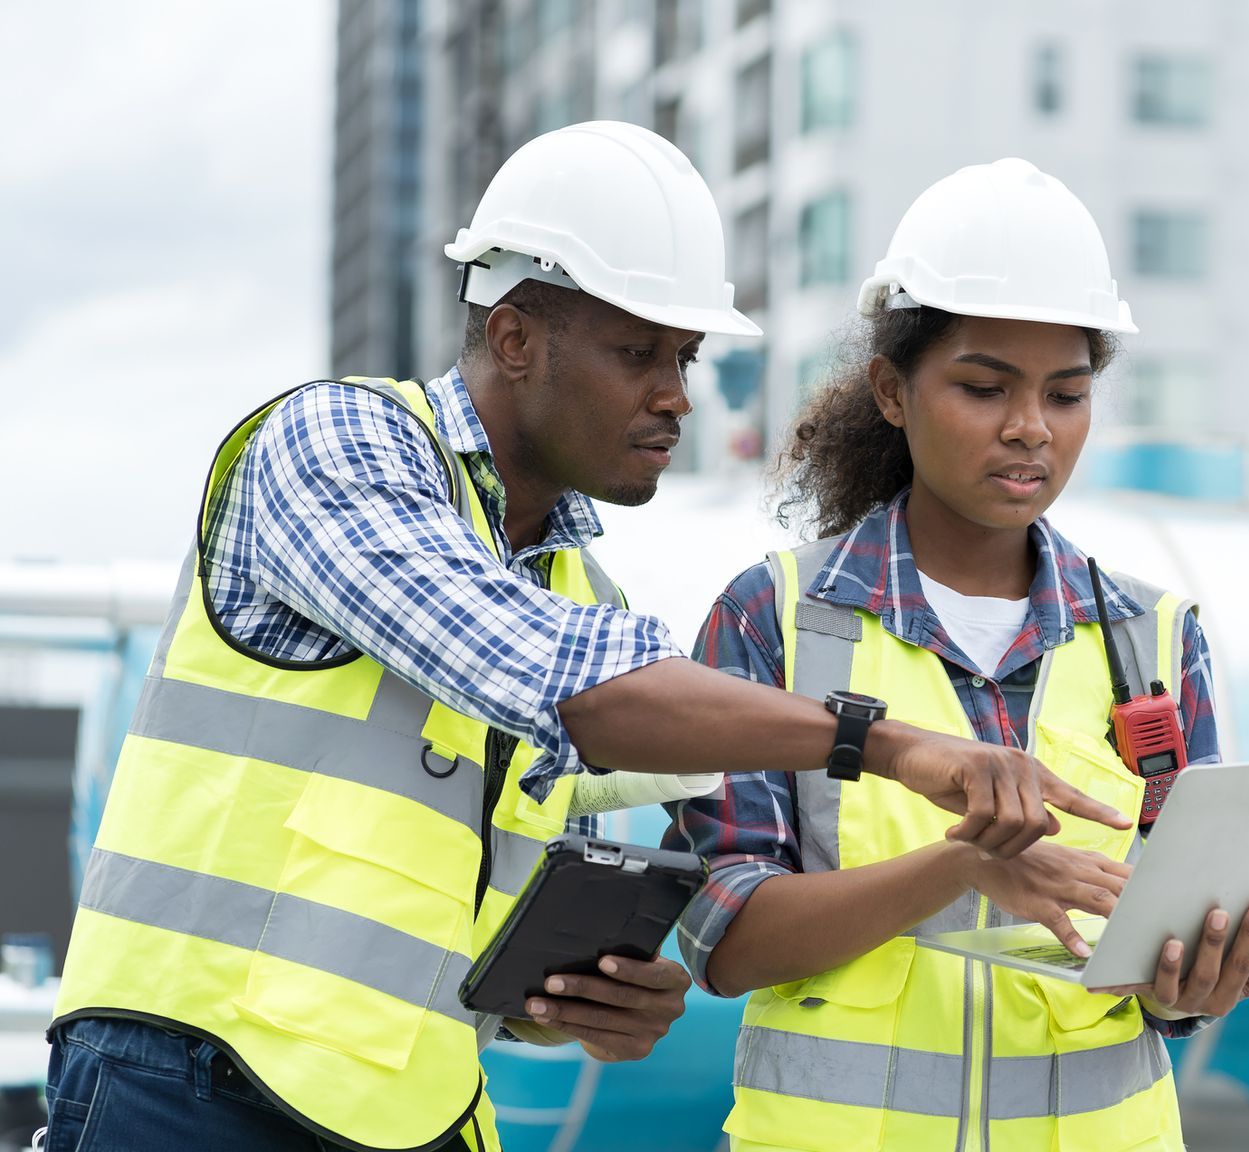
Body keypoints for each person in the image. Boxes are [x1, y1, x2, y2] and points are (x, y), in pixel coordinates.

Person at [42, 126, 1126, 1152]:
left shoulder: (581, 590)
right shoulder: (339, 443)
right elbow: (546, 673)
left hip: (410, 1105)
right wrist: (892, 745)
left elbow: (464, 908)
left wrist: (573, 1004)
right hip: (187, 1084)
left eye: (687, 356)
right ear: (513, 336)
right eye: (636, 352)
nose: (674, 396)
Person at [666, 158, 1249, 1152]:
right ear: (893, 390)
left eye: (1067, 392)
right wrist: (961, 869)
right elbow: (726, 939)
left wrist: (1200, 976)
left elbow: (1170, 962)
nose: (1030, 427)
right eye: (983, 385)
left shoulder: (1158, 640)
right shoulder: (774, 620)